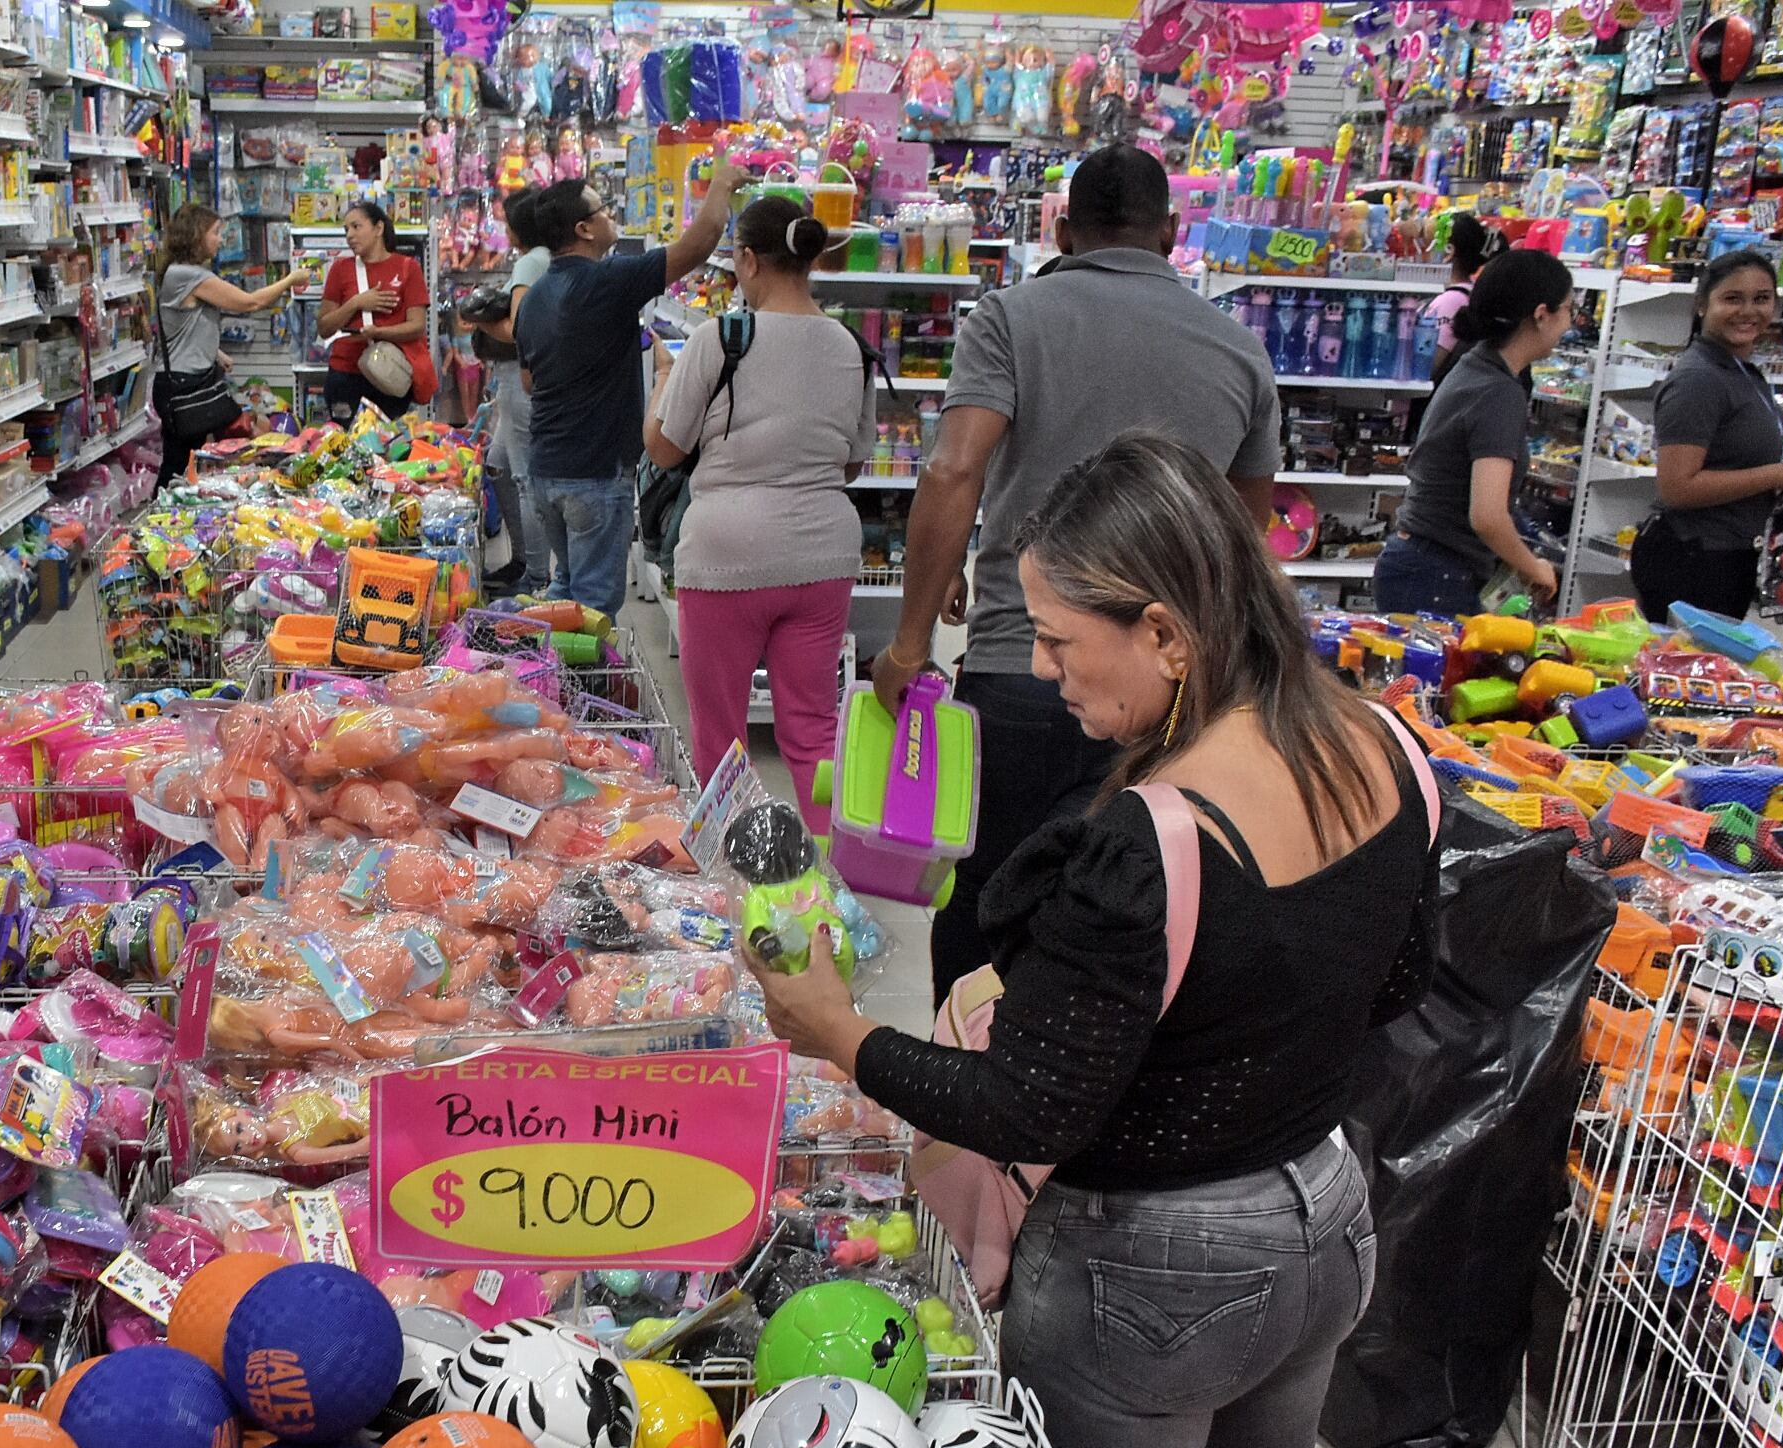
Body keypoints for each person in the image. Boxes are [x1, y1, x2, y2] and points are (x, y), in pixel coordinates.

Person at [750, 432, 1436, 1448]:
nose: (1038, 667)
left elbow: (1027, 1109)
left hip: (1151, 1273)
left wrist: (841, 1031)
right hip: (1324, 1219)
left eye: (1063, 639)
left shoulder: (1151, 837)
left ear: (1167, 634)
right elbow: (1392, 983)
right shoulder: (1385, 744)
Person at [874, 143, 1281, 1003]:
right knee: (1124, 898)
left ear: (1062, 228)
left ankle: (968, 1072)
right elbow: (1244, 532)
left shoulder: (1012, 317)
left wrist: (909, 641)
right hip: (1164, 685)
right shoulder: (1239, 350)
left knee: (982, 886)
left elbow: (954, 471)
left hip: (1021, 662)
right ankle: (1077, 1083)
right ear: (1172, 233)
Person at [643, 195, 875, 827]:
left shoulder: (720, 339)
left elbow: (665, 449)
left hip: (727, 555)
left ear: (746, 259)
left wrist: (662, 381)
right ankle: (827, 885)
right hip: (823, 556)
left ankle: (736, 887)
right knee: (812, 730)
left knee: (721, 735)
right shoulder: (851, 346)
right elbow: (851, 462)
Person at [512, 138, 744, 616]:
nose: (609, 215)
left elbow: (530, 383)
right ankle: (575, 689)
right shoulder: (608, 280)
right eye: (603, 209)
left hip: (546, 469)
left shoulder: (532, 297)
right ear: (585, 229)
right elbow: (696, 247)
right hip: (594, 473)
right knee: (594, 607)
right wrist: (721, 184)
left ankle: (545, 683)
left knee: (566, 588)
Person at [1372, 249, 1573, 617]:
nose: (1570, 324)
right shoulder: (1498, 392)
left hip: (1421, 563)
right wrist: (1534, 567)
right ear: (1542, 315)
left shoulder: (1476, 367)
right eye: (1568, 311)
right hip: (1438, 574)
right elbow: (1488, 516)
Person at [1633, 249, 1783, 622]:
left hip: (1727, 557)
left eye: (1761, 299)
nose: (1748, 311)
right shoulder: (1700, 379)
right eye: (1732, 298)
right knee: (1682, 675)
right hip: (1692, 558)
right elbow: (1677, 487)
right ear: (1701, 305)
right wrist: (1781, 474)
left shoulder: (1739, 370)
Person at [153, 204, 313, 482]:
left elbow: (180, 326)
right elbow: (249, 302)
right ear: (196, 235)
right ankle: (162, 515)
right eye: (215, 232)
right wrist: (290, 279)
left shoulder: (178, 273)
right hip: (184, 386)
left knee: (183, 459)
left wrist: (214, 352)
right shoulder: (190, 276)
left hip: (185, 382)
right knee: (182, 461)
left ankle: (172, 511)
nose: (221, 239)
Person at [461, 186, 557, 597]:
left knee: (523, 478)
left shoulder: (531, 264)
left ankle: (535, 577)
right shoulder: (548, 260)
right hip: (527, 379)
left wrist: (480, 321)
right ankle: (523, 558)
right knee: (498, 464)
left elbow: (519, 330)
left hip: (523, 379)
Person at [316, 201, 435, 422]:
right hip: (345, 373)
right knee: (343, 443)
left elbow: (417, 326)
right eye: (346, 230)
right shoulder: (340, 269)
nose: (349, 235)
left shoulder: (408, 267)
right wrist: (356, 303)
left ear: (378, 228)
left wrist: (378, 333)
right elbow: (324, 327)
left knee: (389, 445)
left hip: (387, 374)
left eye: (356, 226)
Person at [1425, 213, 1503, 382]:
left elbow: (1426, 367)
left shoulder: (1449, 301)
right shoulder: (1474, 294)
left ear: (1449, 251)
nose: (1423, 252)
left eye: (1427, 244)